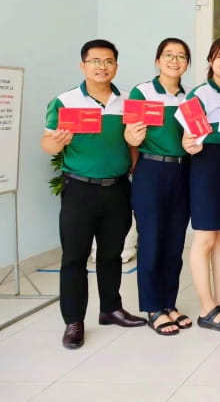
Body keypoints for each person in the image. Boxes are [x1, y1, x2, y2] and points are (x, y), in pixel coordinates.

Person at [42, 39, 146, 349]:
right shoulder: (65, 101)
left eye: (109, 61)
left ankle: (111, 308)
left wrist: (133, 166)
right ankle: (74, 321)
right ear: (83, 65)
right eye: (95, 61)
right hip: (79, 189)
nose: (102, 66)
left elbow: (133, 142)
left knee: (111, 254)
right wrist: (58, 141)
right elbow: (47, 143)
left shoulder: (128, 101)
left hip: (117, 189)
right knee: (74, 256)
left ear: (116, 65)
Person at [125, 37, 192, 336]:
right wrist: (132, 140)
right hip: (151, 170)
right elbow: (131, 138)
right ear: (157, 60)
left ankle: (169, 303)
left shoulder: (189, 99)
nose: (174, 60)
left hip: (182, 171)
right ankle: (153, 307)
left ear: (187, 64)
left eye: (181, 56)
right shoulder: (142, 92)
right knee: (152, 239)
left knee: (175, 242)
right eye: (168, 55)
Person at [183, 37, 220, 331]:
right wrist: (190, 142)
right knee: (205, 237)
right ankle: (207, 307)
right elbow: (189, 137)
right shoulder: (199, 94)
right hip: (207, 166)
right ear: (210, 61)